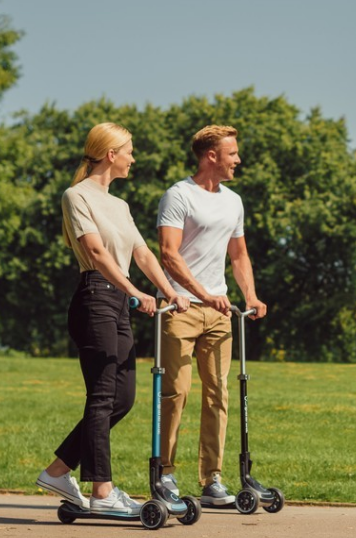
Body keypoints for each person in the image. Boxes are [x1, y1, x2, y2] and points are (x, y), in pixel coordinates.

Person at [36, 122, 189, 513]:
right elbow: (97, 252)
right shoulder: (77, 196)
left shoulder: (118, 205)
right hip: (95, 299)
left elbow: (142, 254)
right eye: (130, 151)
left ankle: (57, 471)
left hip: (119, 303)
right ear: (111, 154)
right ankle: (102, 491)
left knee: (122, 399)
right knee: (102, 396)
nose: (133, 158)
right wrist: (135, 291)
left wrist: (169, 291)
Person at [156, 125, 267, 507]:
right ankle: (165, 475)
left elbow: (238, 254)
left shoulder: (233, 201)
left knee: (218, 394)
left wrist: (249, 295)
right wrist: (202, 295)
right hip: (180, 308)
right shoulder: (178, 195)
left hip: (220, 313)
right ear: (211, 157)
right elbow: (168, 254)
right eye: (232, 153)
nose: (238, 160)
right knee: (176, 392)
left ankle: (212, 479)